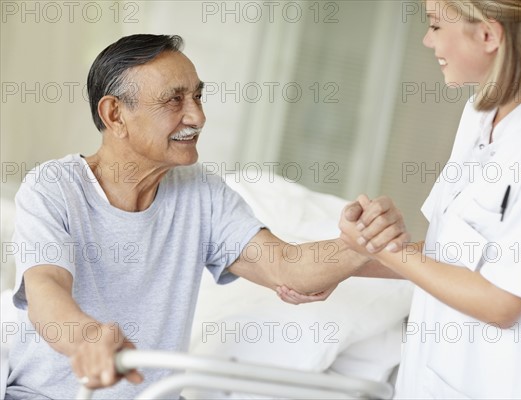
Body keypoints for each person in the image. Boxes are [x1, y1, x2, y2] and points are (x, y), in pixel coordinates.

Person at [6, 34, 401, 399]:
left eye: (197, 97)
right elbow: (46, 290)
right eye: (174, 100)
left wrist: (356, 245)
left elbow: (287, 266)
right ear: (115, 115)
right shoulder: (55, 187)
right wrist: (88, 337)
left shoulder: (202, 193)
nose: (197, 117)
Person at [284, 0, 521, 398]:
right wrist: (343, 263)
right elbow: (445, 257)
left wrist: (378, 249)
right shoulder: (481, 114)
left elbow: (503, 302)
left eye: (434, 25)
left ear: (487, 35)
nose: (427, 40)